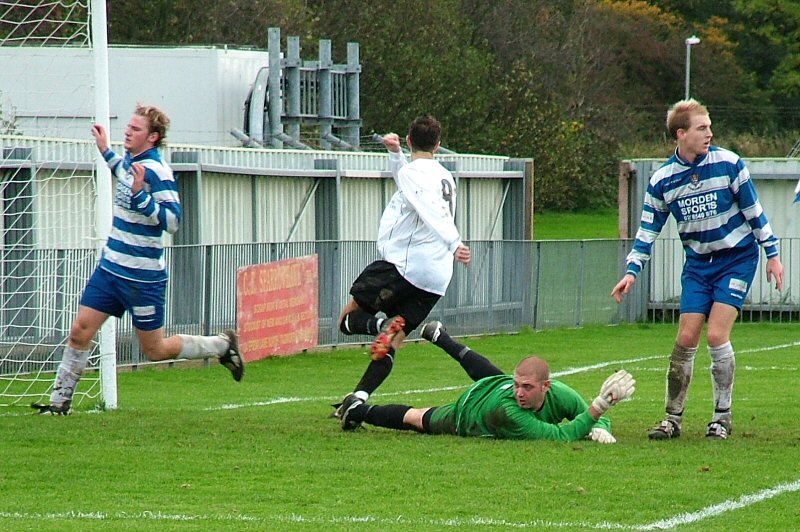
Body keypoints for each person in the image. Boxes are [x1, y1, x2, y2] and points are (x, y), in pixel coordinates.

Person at [32, 104, 244, 415]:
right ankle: (59, 404)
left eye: (135, 129)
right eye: (128, 128)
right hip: (111, 269)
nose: (128, 133)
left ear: (153, 137)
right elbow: (122, 170)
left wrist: (141, 198)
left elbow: (173, 221)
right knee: (80, 330)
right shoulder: (132, 162)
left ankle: (222, 345)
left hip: (142, 278)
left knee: (154, 350)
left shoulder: (158, 171)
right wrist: (105, 150)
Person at [611, 98, 784, 440]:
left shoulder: (729, 163)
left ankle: (722, 417)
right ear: (681, 134)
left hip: (737, 259)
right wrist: (631, 271)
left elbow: (755, 213)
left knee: (717, 335)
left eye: (709, 127)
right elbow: (648, 230)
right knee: (686, 337)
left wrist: (773, 254)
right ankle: (672, 419)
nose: (709, 133)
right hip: (698, 267)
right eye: (701, 128)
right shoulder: (662, 180)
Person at [333, 115, 471, 416]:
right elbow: (410, 184)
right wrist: (395, 155)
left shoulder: (414, 175)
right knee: (394, 342)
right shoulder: (445, 176)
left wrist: (454, 242)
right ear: (438, 145)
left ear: (409, 140)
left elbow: (429, 207)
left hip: (404, 266)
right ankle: (358, 397)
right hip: (436, 278)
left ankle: (380, 324)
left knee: (347, 321)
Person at [339, 321, 634, 442]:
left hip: (495, 387)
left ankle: (441, 337)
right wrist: (599, 408)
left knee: (495, 376)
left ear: (547, 386)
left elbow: (585, 416)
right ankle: (358, 411)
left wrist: (600, 427)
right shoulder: (511, 411)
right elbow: (559, 437)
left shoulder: (562, 393)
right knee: (417, 418)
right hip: (470, 413)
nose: (520, 392)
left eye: (527, 387)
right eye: (518, 385)